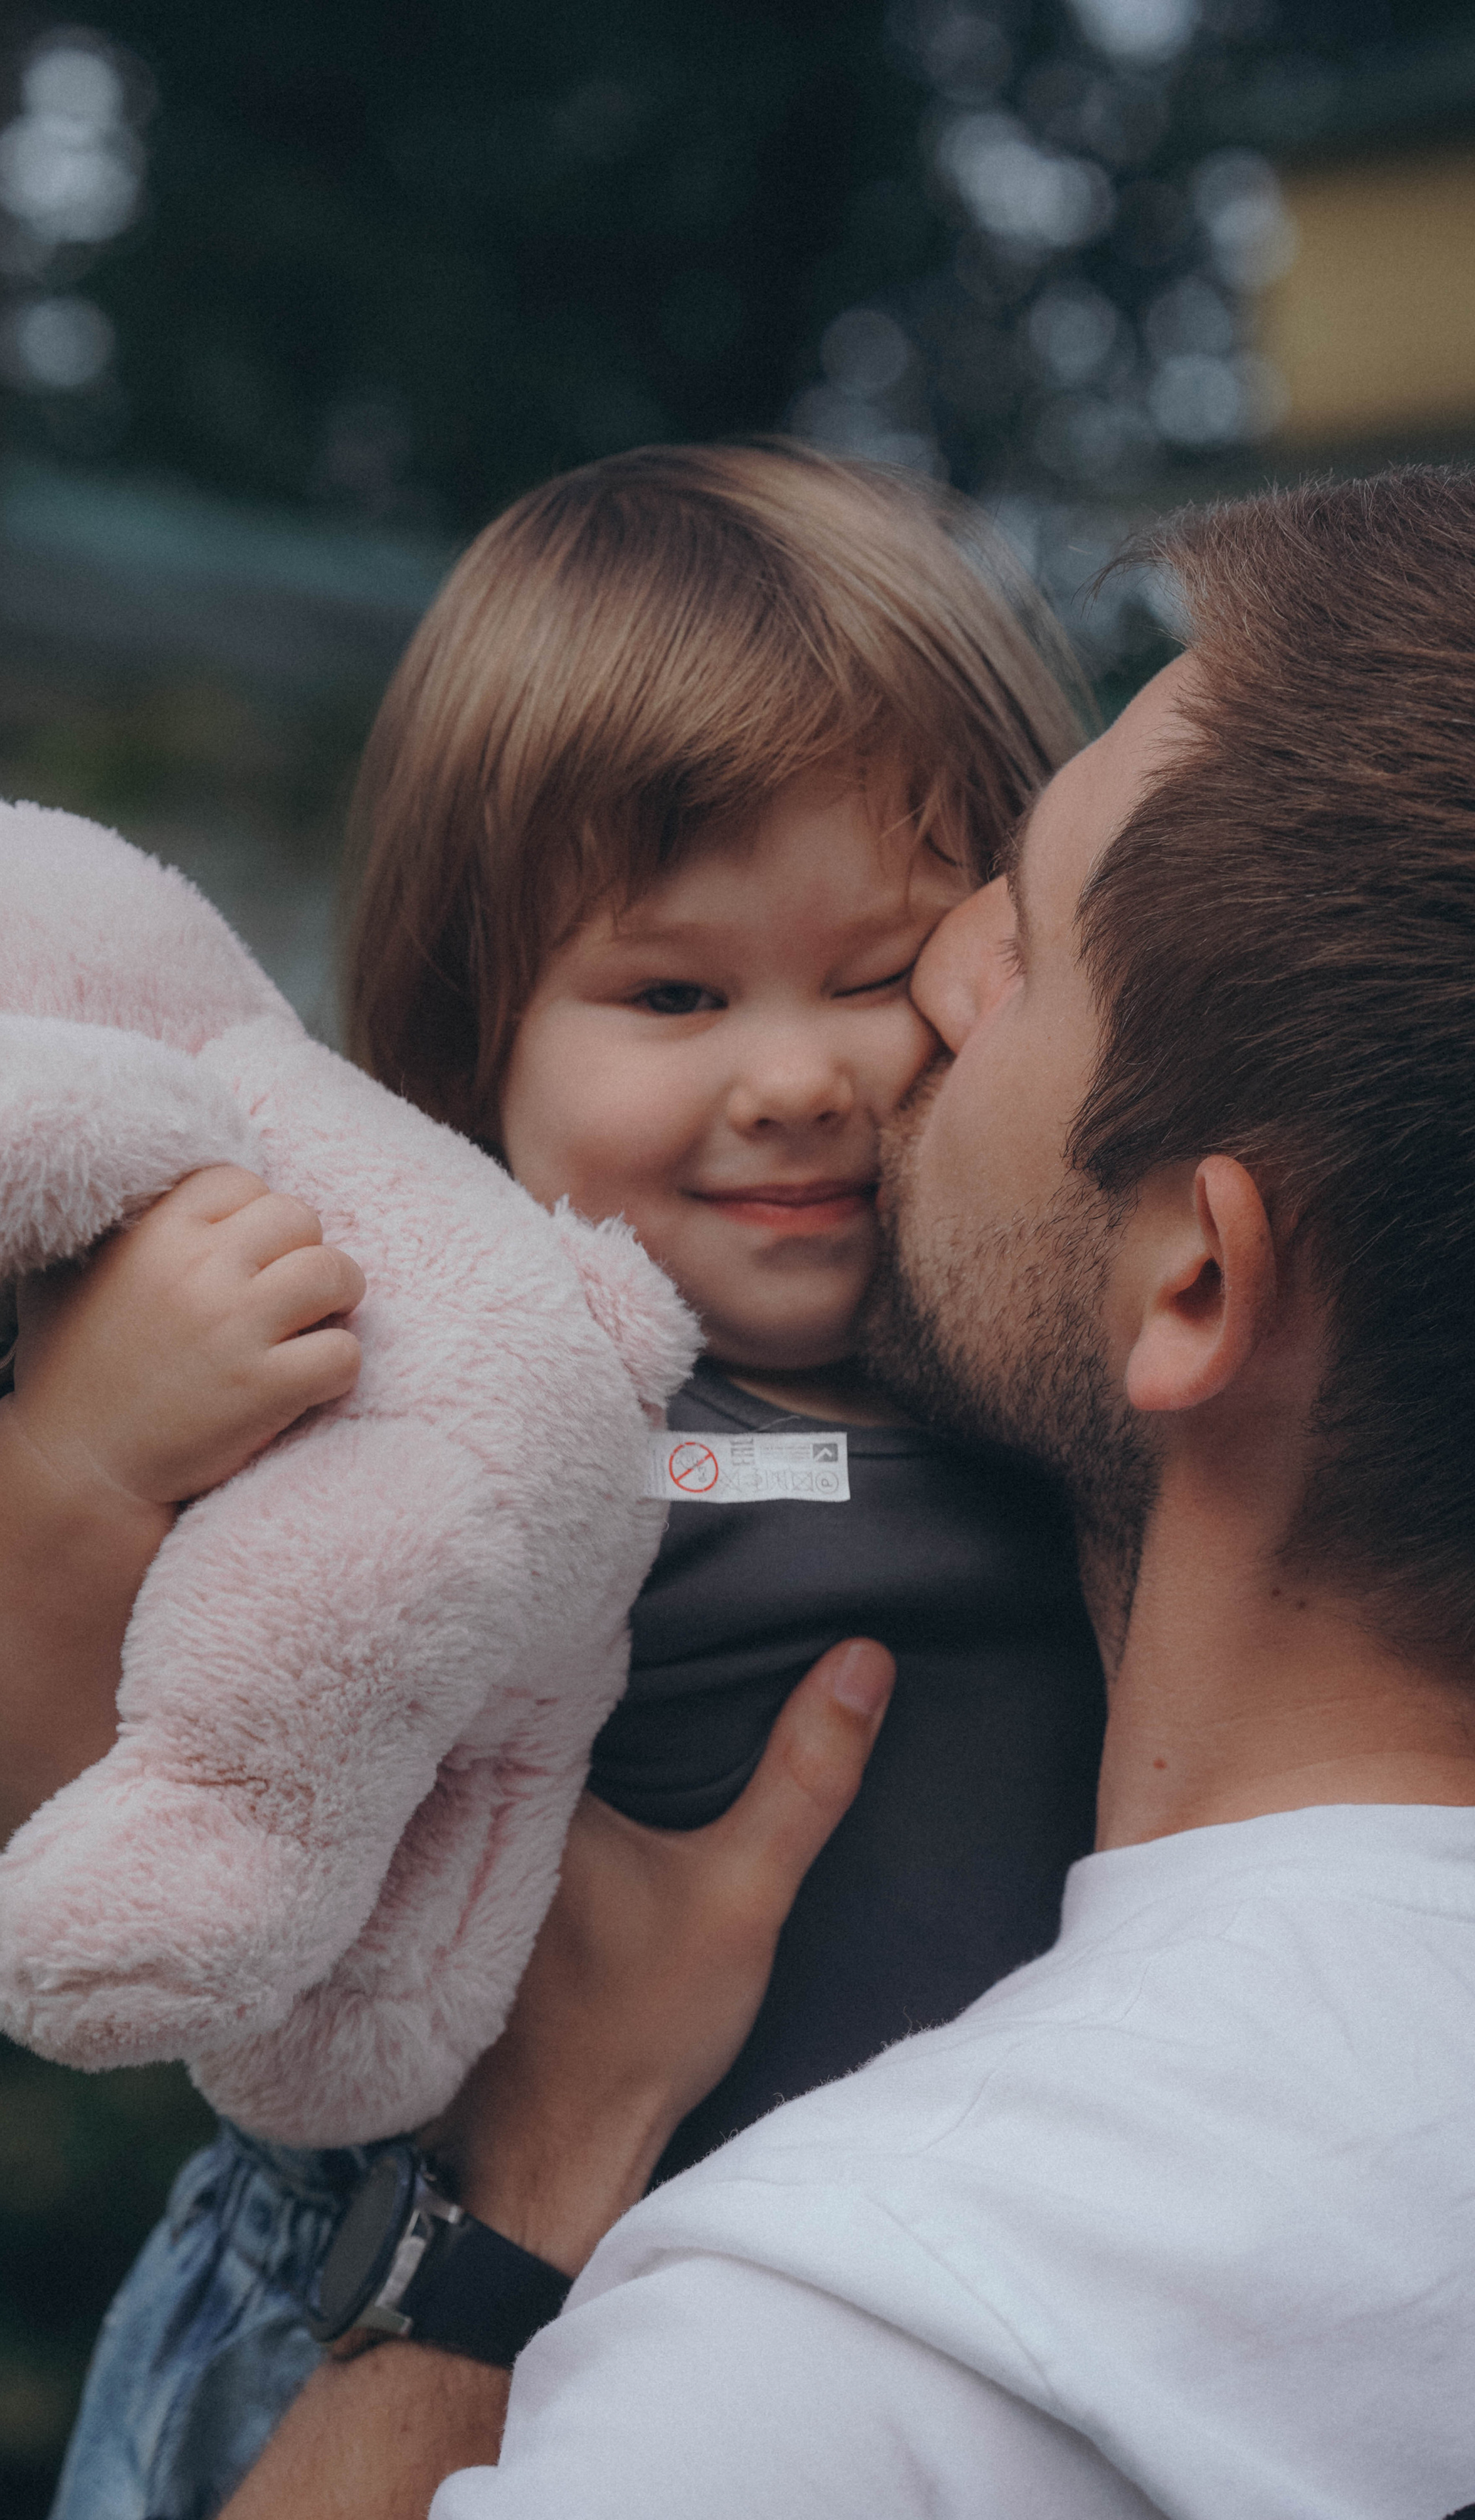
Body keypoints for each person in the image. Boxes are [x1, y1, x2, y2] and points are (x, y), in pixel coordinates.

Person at [220, 467, 1475, 2519]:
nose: (903, 1029)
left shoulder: (858, 2356)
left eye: (1024, 946)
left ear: (1192, 1278)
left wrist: (513, 2212)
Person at [0, 445, 1108, 2515]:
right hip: (408, 2315)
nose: (798, 1073)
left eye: (878, 973)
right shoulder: (466, 1388)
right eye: (673, 994)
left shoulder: (1072, 1383)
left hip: (897, 2349)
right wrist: (88, 1458)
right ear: (479, 1048)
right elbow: (48, 1780)